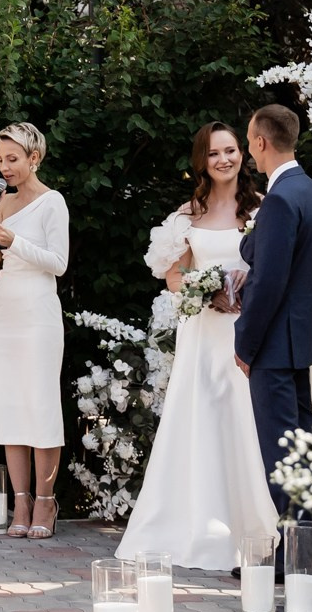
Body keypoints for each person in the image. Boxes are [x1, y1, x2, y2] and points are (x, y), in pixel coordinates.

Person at [117, 122, 281, 570]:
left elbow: (271, 271)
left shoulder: (261, 208)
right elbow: (174, 277)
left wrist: (243, 291)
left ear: (242, 154)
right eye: (213, 153)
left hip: (244, 330)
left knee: (243, 422)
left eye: (230, 150)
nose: (224, 159)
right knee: (201, 423)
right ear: (201, 162)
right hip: (203, 333)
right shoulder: (187, 215)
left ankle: (253, 527)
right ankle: (194, 525)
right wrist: (206, 291)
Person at [0, 122, 69, 538]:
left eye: (12, 159)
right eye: (0, 160)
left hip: (38, 308)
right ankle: (21, 502)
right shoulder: (1, 203)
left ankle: (46, 502)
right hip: (6, 307)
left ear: (34, 158)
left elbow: (58, 263)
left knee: (41, 403)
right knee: (11, 404)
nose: (4, 167)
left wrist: (13, 240)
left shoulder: (52, 202)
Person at [234, 103, 312, 519]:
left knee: (282, 454)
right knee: (303, 446)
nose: (249, 151)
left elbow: (269, 282)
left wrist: (245, 344)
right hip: (296, 341)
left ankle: (292, 546)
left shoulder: (279, 200)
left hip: (272, 346)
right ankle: (309, 541)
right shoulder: (310, 191)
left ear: (261, 142)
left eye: (248, 142)